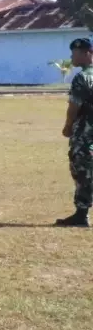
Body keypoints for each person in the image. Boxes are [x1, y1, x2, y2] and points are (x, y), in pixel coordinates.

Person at [57, 37, 93, 227]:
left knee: (82, 170)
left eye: (76, 53)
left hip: (86, 134)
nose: (73, 56)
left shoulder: (83, 77)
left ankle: (81, 214)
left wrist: (68, 126)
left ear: (88, 53)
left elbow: (74, 106)